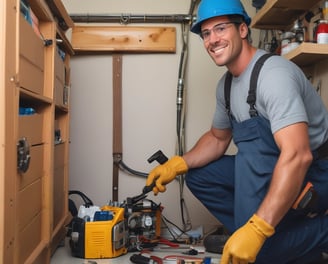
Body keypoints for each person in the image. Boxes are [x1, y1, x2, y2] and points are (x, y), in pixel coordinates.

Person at [145, 0, 328, 263]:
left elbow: (298, 155)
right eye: (206, 34)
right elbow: (218, 139)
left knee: (261, 250)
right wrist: (178, 163)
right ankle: (268, 234)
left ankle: (298, 234)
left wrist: (259, 229)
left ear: (242, 30)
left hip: (316, 172)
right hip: (270, 165)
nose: (212, 40)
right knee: (198, 175)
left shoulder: (273, 75)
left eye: (220, 29)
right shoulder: (226, 86)